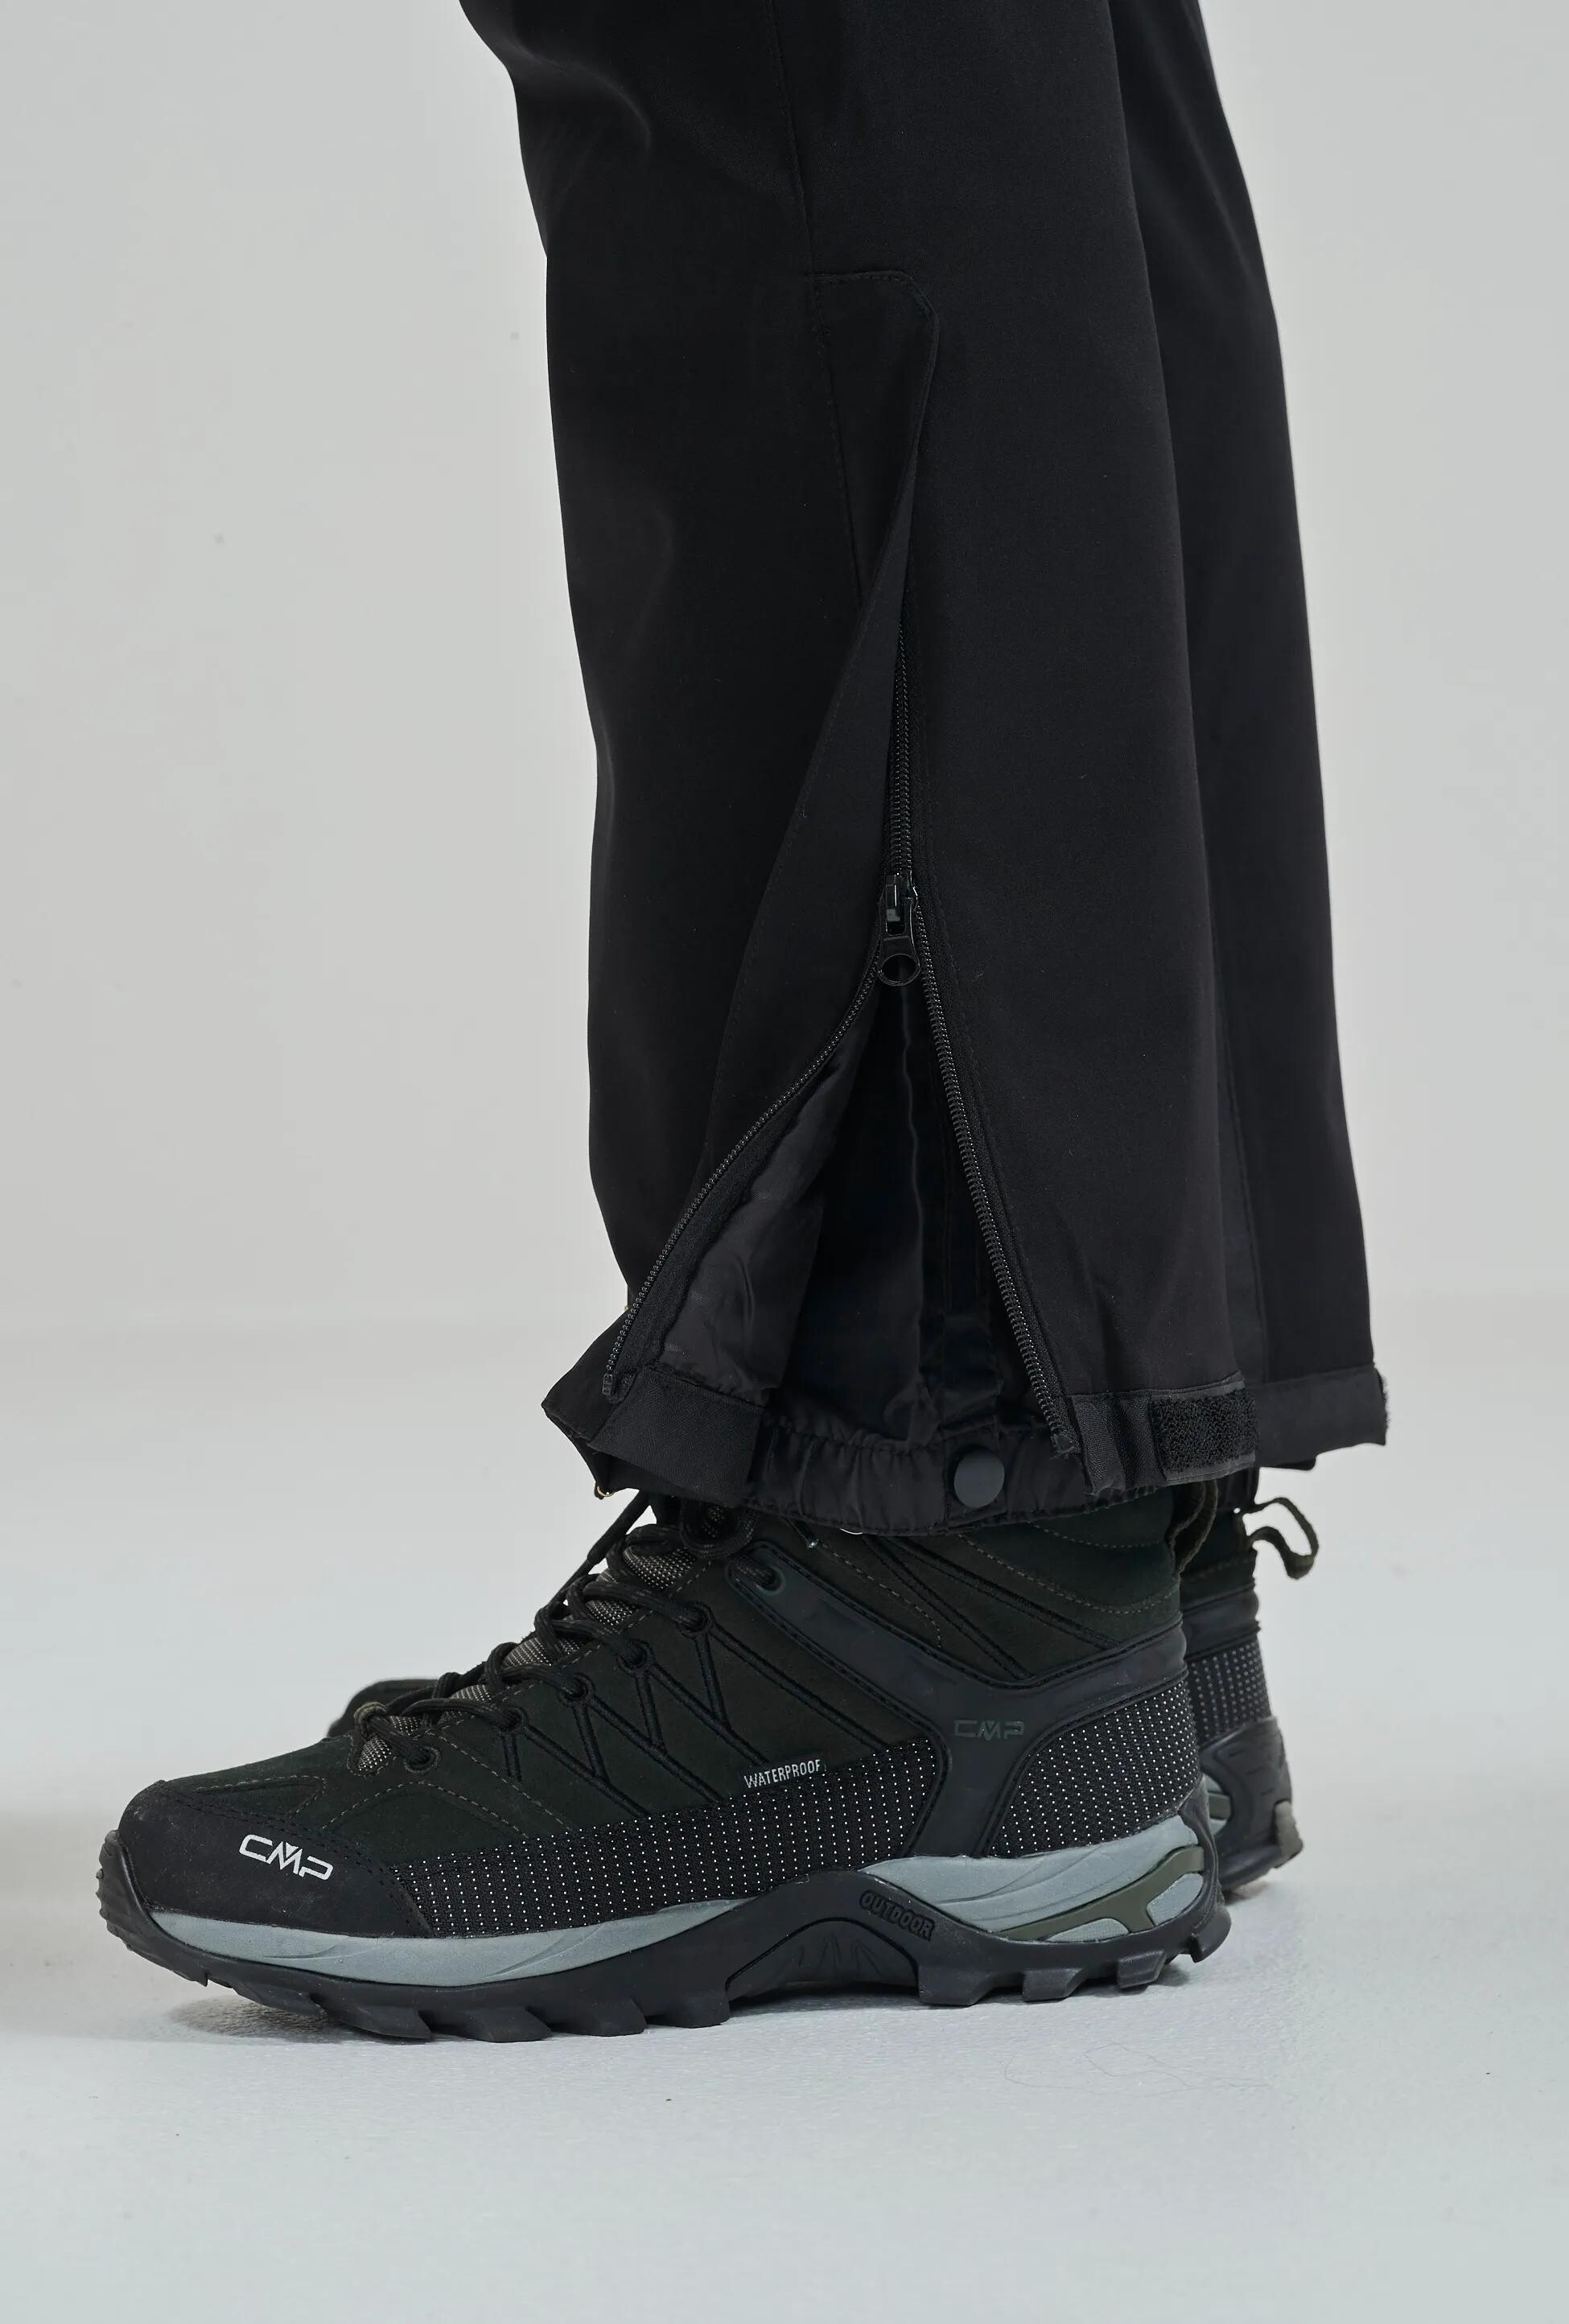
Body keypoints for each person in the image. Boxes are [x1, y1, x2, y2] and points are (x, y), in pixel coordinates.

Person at [98, 0, 1383, 2038]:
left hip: (941, 1443)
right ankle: (1109, 1529)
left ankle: (926, 1530)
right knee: (1015, 61)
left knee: (772, 63)